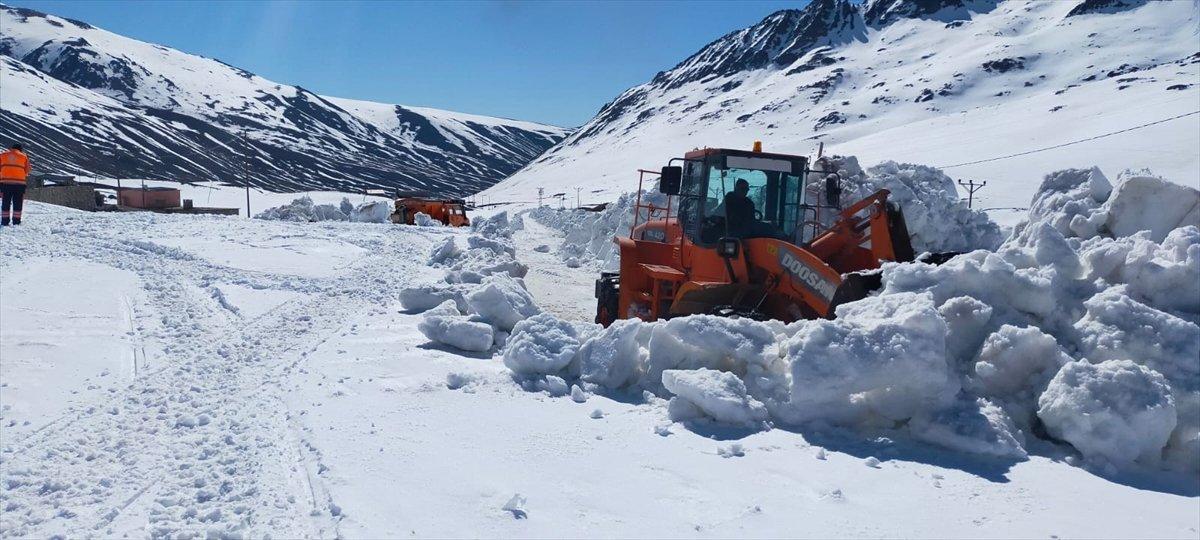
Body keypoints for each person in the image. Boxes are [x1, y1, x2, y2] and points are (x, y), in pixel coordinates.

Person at [0, 143, 31, 226]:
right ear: (20, 150)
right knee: (18, 203)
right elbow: (27, 170)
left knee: (6, 202)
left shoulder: (3, 155)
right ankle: (16, 222)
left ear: (11, 148)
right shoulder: (24, 156)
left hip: (5, 184)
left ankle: (4, 221)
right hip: (19, 184)